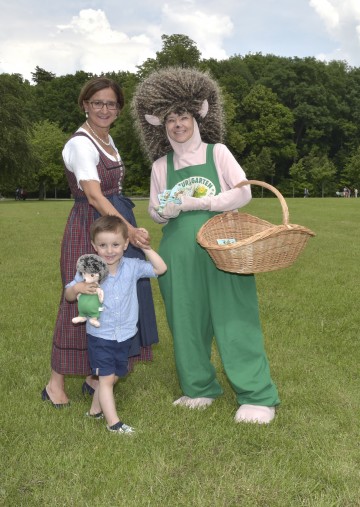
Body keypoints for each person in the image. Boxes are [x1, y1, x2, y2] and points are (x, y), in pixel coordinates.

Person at [132, 67, 280, 424]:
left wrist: (202, 203)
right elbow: (156, 210)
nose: (177, 124)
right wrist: (163, 212)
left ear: (196, 115)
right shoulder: (160, 166)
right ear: (161, 125)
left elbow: (243, 192)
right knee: (185, 319)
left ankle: (257, 395)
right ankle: (199, 388)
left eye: (182, 116)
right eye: (169, 119)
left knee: (234, 316)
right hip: (177, 252)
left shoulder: (218, 153)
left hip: (223, 246)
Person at [42, 76, 159, 408]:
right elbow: (93, 194)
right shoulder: (81, 144)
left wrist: (124, 228)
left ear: (119, 109)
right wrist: (129, 231)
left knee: (117, 296)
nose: (104, 109)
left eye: (111, 104)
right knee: (83, 296)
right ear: (85, 105)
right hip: (89, 228)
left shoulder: (106, 140)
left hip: (113, 224)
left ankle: (96, 377)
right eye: (98, 103)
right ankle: (55, 385)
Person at [65, 215, 166, 433]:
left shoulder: (132, 266)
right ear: (94, 246)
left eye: (115, 245)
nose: (109, 251)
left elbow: (160, 269)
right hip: (101, 335)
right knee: (107, 378)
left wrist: (146, 248)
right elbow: (69, 294)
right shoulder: (90, 271)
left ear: (126, 244)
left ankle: (94, 411)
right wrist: (78, 288)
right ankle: (114, 424)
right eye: (103, 245)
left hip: (126, 333)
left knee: (117, 373)